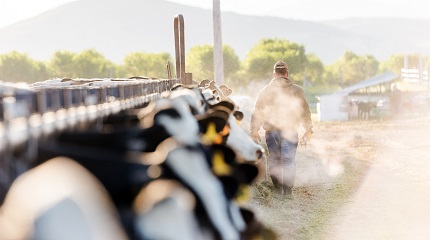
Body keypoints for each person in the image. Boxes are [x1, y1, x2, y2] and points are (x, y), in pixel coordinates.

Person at [250, 61, 313, 196]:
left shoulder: (265, 91)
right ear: (287, 73)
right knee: (288, 160)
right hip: (290, 131)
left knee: (274, 160)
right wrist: (308, 129)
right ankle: (288, 192)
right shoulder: (297, 90)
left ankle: (278, 191)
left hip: (271, 133)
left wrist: (254, 130)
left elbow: (257, 112)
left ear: (274, 74)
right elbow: (305, 111)